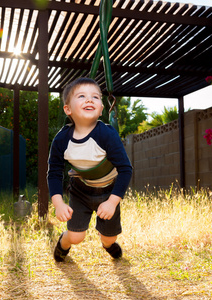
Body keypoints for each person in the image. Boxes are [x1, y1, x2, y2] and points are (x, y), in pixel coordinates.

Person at [47, 77, 133, 262]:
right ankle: (63, 243)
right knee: (76, 237)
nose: (89, 100)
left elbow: (125, 169)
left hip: (109, 190)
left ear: (102, 108)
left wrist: (111, 203)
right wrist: (59, 204)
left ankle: (108, 245)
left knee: (109, 238)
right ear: (68, 109)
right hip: (81, 191)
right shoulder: (62, 140)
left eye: (95, 97)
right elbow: (54, 172)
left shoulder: (107, 134)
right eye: (82, 96)